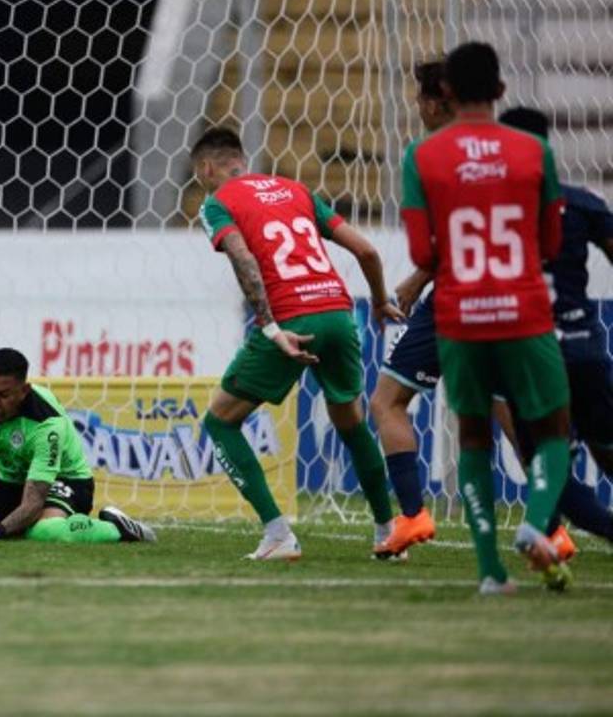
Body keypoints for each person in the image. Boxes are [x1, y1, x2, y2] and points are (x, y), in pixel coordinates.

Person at [401, 41, 572, 593]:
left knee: (473, 437)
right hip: (523, 311)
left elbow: (423, 254)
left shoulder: (421, 157)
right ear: (500, 91)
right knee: (552, 432)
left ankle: (491, 575)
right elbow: (551, 241)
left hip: (458, 315)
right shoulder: (532, 151)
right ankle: (534, 522)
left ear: (445, 91)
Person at [193, 126, 403, 560]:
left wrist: (270, 327)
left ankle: (278, 535)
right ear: (242, 159)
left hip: (291, 318)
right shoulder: (296, 190)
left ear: (206, 168)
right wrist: (381, 302)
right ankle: (389, 533)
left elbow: (243, 256)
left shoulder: (218, 202)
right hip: (339, 313)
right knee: (351, 422)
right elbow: (366, 251)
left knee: (220, 422)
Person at [371, 61, 518, 558]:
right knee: (503, 405)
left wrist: (415, 279)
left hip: (454, 294)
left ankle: (412, 516)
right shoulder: (513, 149)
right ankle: (552, 523)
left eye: (419, 99)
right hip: (509, 290)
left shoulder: (426, 153)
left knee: (386, 402)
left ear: (437, 102)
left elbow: (433, 238)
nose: (417, 108)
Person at [496, 106, 613, 552]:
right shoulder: (582, 202)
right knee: (606, 443)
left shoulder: (495, 212)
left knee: (548, 461)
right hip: (584, 349)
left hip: (532, 354)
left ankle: (599, 527)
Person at [0, 347, 156, 543]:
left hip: (66, 480)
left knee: (42, 530)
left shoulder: (46, 422)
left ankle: (117, 528)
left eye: (4, 395)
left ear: (24, 391)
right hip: (11, 482)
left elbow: (33, 502)